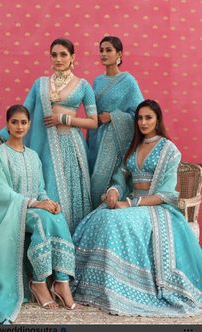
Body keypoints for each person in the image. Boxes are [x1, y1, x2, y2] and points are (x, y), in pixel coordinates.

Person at [72, 99, 202, 316]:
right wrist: (114, 191)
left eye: (148, 117)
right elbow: (121, 178)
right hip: (130, 202)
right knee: (98, 217)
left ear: (157, 120)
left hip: (154, 207)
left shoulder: (168, 150)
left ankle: (125, 288)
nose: (143, 122)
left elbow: (166, 194)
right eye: (140, 118)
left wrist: (130, 203)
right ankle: (96, 285)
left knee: (115, 220)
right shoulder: (134, 147)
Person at [0, 105, 77, 324]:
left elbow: (40, 188)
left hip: (32, 208)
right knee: (40, 217)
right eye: (14, 122)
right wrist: (35, 203)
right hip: (8, 212)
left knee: (55, 215)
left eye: (23, 122)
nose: (19, 126)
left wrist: (50, 202)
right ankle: (38, 282)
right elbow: (0, 192)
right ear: (7, 124)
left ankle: (61, 281)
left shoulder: (33, 156)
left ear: (28, 125)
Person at [0, 38, 98, 233]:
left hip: (72, 149)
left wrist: (64, 118)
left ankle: (74, 242)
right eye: (54, 55)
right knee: (49, 190)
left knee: (72, 196)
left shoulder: (83, 85)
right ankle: (51, 239)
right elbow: (25, 110)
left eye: (63, 54)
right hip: (46, 147)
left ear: (73, 57)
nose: (58, 59)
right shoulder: (41, 84)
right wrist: (0, 138)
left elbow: (93, 122)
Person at [88, 36, 143, 208]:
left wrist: (113, 117)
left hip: (115, 140)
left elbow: (139, 114)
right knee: (92, 178)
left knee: (105, 180)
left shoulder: (128, 81)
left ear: (119, 54)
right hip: (95, 138)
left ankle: (107, 213)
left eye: (109, 50)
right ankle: (91, 222)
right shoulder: (97, 80)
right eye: (101, 50)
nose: (104, 54)